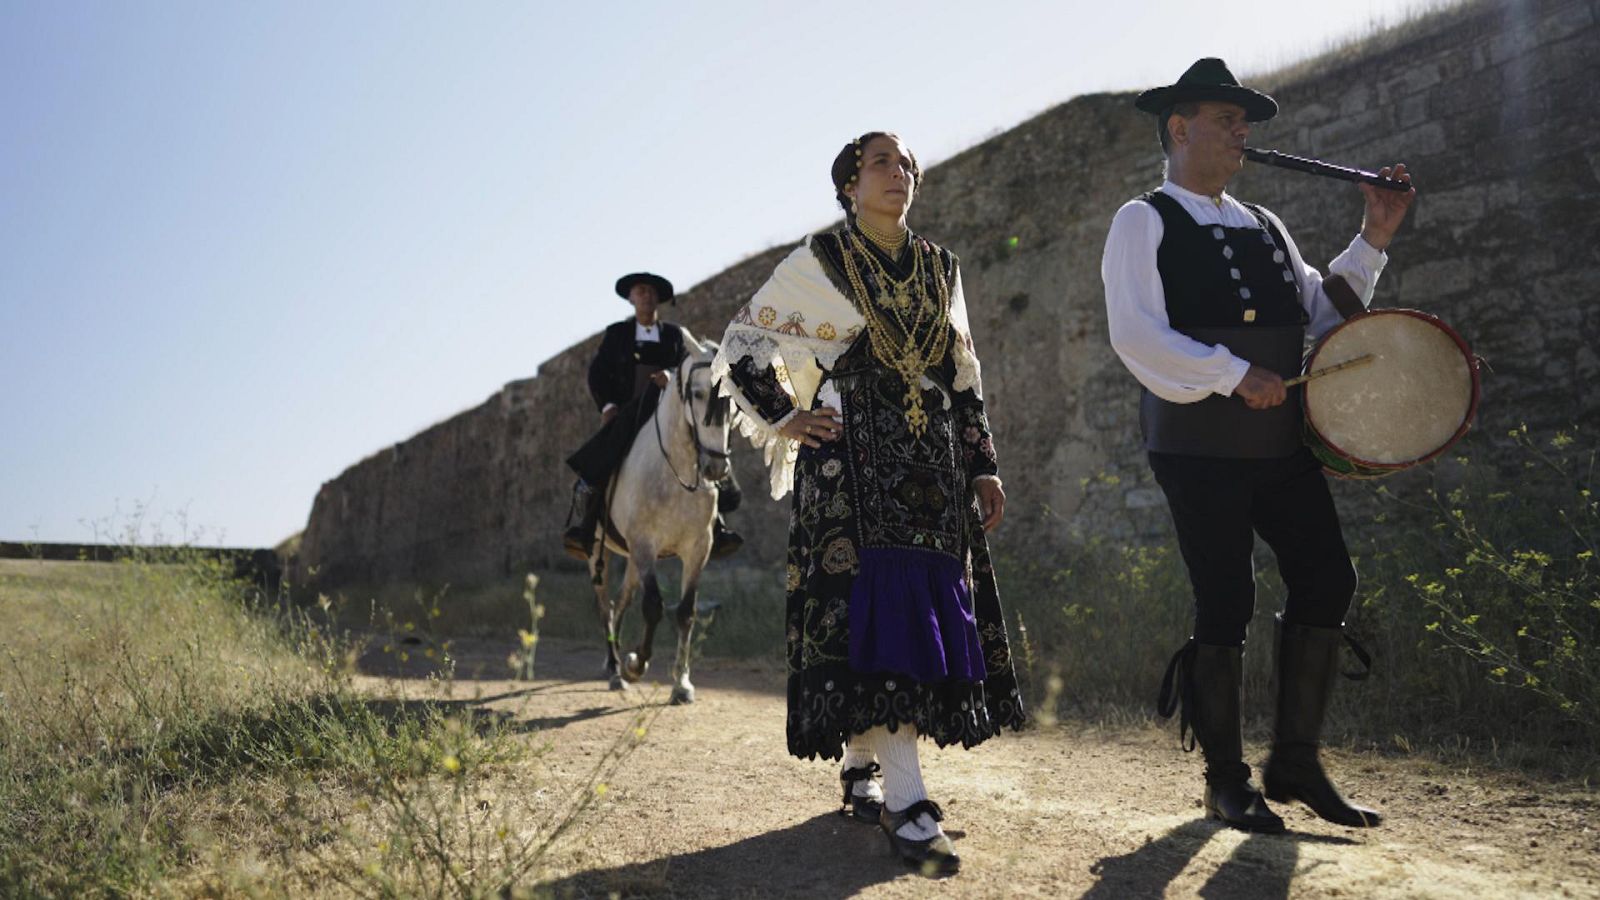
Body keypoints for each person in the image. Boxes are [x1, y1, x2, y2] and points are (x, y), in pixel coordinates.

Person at [1101, 58, 1415, 833]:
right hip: (1196, 445)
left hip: (1279, 444)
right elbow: (1136, 334)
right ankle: (1224, 780)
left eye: (1246, 123)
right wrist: (1233, 372)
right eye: (1228, 120)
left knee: (1328, 577)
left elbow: (1324, 312)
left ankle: (1295, 763)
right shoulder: (1143, 219)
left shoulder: (1265, 224)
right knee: (1226, 597)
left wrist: (1373, 236)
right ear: (1180, 129)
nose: (1244, 134)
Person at [711, 132, 1026, 875]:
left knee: (911, 615)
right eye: (883, 162)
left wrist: (984, 465)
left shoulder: (941, 267)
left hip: (931, 465)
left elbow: (963, 372)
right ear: (849, 184)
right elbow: (743, 342)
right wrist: (786, 416)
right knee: (872, 613)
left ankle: (863, 763)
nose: (901, 172)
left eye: (908, 163)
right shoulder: (819, 260)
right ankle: (908, 801)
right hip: (849, 467)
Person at [563, 272, 743, 561]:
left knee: (706, 446)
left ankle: (717, 527)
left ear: (658, 299)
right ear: (632, 298)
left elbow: (694, 368)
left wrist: (671, 376)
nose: (646, 296)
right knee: (603, 455)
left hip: (669, 412)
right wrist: (608, 406)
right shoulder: (617, 334)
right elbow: (597, 374)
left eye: (651, 292)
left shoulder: (676, 335)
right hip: (628, 413)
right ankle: (585, 528)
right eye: (640, 291)